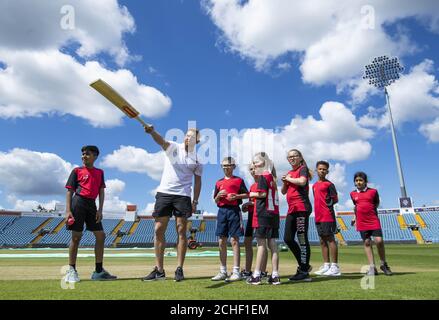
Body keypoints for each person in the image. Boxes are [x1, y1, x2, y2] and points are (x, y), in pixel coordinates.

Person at [142, 125, 202, 282]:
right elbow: (161, 141)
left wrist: (195, 201)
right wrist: (152, 132)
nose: (188, 138)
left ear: (198, 140)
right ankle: (159, 270)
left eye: (192, 136)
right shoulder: (174, 147)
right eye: (186, 135)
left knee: (181, 231)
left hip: (183, 196)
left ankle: (179, 269)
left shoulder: (197, 159)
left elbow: (198, 182)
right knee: (158, 229)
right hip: (165, 193)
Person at [64, 145, 117, 283]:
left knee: (101, 235)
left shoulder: (100, 172)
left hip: (92, 205)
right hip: (78, 203)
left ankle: (98, 271)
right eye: (82, 154)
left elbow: (101, 191)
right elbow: (70, 191)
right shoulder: (76, 171)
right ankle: (71, 270)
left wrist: (100, 209)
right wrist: (68, 210)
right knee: (76, 237)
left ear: (95, 156)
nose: (83, 156)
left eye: (87, 154)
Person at [211, 157, 249, 282]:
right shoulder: (218, 182)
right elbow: (215, 200)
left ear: (234, 166)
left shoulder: (239, 180)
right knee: (221, 241)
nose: (226, 167)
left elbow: (247, 194)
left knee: (234, 240)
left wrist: (237, 196)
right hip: (222, 212)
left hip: (234, 211)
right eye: (224, 165)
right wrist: (217, 196)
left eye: (229, 165)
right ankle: (223, 271)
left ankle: (236, 271)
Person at [247, 152, 280, 285]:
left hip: (264, 214)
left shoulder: (263, 176)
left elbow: (262, 194)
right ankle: (275, 274)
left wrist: (249, 194)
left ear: (264, 162)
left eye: (256, 162)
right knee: (272, 244)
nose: (254, 164)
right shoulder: (272, 178)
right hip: (274, 215)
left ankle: (256, 275)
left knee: (261, 244)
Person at [350, 172, 392, 276]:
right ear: (354, 182)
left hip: (373, 219)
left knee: (379, 241)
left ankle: (383, 264)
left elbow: (376, 203)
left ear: (365, 181)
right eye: (356, 180)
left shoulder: (373, 191)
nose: (358, 182)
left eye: (361, 180)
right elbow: (356, 206)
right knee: (367, 243)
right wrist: (354, 217)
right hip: (361, 221)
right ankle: (372, 268)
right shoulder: (352, 194)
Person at [281, 149, 313, 282]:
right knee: (288, 238)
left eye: (295, 156)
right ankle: (304, 266)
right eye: (290, 157)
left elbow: (302, 182)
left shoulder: (303, 168)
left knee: (301, 238)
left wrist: (289, 179)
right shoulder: (289, 173)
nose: (292, 158)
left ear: (300, 157)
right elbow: (283, 192)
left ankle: (304, 270)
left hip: (301, 207)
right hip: (291, 209)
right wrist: (285, 182)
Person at [312, 161, 341, 276]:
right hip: (318, 216)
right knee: (322, 241)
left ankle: (335, 267)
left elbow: (335, 199)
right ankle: (326, 265)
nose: (322, 171)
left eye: (324, 169)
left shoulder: (329, 185)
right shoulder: (314, 186)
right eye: (320, 169)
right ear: (316, 170)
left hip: (327, 216)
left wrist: (328, 204)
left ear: (327, 171)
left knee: (330, 240)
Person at [241, 164, 268, 279]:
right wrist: (246, 206)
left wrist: (250, 203)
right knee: (247, 241)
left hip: (261, 215)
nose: (252, 171)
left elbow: (264, 198)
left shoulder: (264, 182)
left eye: (254, 168)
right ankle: (247, 270)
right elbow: (253, 201)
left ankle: (262, 270)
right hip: (252, 215)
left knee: (262, 243)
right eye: (251, 169)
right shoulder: (252, 186)